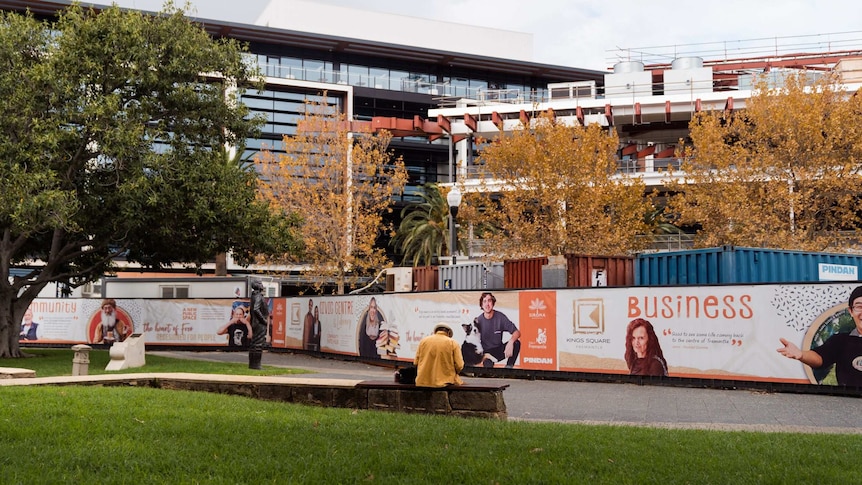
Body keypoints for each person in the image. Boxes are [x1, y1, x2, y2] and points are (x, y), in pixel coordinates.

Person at [777, 285, 862, 386]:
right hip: (846, 399)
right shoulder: (841, 341)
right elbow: (820, 358)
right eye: (859, 307)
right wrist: (801, 354)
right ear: (851, 311)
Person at [474, 292, 521, 368]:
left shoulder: (500, 317)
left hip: (499, 350)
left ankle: (508, 368)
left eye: (489, 301)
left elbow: (517, 332)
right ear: (481, 305)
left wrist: (511, 342)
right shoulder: (478, 321)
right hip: (486, 353)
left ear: (493, 303)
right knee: (488, 368)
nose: (487, 304)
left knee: (516, 343)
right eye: (484, 301)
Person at [414, 323, 464, 387]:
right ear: (448, 333)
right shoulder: (453, 343)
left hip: (422, 382)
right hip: (445, 383)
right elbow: (459, 365)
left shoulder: (423, 341)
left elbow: (416, 362)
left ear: (435, 331)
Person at [248, 280, 269, 369]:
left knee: (255, 343)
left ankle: (253, 364)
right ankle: (256, 365)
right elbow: (256, 309)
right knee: (258, 344)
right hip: (259, 323)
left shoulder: (254, 296)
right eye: (260, 284)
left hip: (255, 322)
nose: (262, 285)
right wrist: (263, 320)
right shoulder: (258, 296)